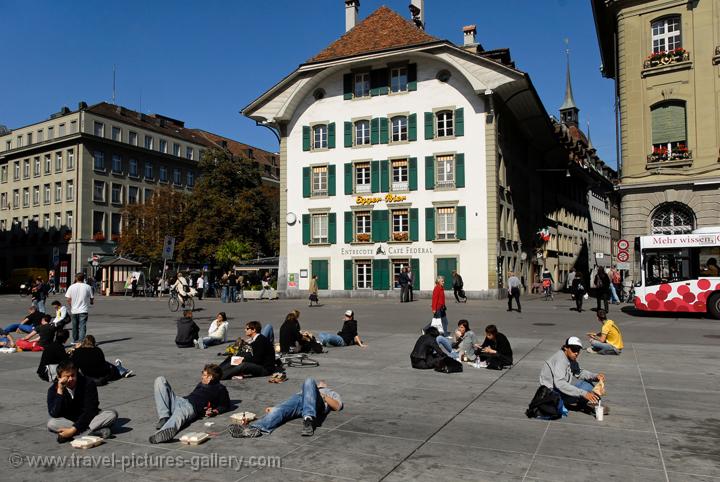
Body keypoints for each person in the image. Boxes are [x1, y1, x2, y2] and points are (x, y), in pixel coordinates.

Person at [234, 377, 342, 438]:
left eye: (322, 383)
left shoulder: (330, 392)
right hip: (300, 398)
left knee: (309, 380)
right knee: (280, 410)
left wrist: (322, 394)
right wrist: (276, 408)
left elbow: (337, 406)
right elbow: (290, 402)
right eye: (319, 383)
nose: (321, 382)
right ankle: (255, 429)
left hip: (317, 403)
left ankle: (308, 420)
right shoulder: (306, 389)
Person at [149, 364, 231, 444]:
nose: (202, 376)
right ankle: (164, 417)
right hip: (180, 400)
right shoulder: (201, 383)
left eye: (204, 374)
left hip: (190, 407)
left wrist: (214, 411)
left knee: (177, 416)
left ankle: (161, 434)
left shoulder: (220, 389)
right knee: (160, 380)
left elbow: (225, 405)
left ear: (210, 377)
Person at [47, 360, 118, 443]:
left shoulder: (88, 383)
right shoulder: (53, 390)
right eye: (67, 376)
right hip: (70, 420)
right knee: (51, 423)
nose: (70, 379)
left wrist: (72, 430)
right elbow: (54, 413)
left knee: (111, 414)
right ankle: (93, 433)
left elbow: (90, 410)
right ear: (59, 378)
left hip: (90, 418)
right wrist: (60, 391)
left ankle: (75, 434)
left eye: (73, 375)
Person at [539, 336, 606, 415]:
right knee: (585, 390)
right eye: (574, 350)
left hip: (559, 390)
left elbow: (579, 372)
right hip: (552, 394)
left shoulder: (569, 358)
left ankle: (586, 403)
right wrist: (584, 394)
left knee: (588, 385)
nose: (576, 353)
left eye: (578, 350)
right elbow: (560, 384)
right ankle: (584, 403)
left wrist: (595, 376)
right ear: (566, 348)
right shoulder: (560, 360)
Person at [66, 272, 94, 344]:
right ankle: (81, 341)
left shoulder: (71, 287)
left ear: (76, 278)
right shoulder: (88, 286)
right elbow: (91, 298)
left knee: (74, 326)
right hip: (83, 310)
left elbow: (68, 299)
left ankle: (75, 340)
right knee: (82, 326)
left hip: (74, 310)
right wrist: (91, 302)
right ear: (83, 278)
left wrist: (72, 306)